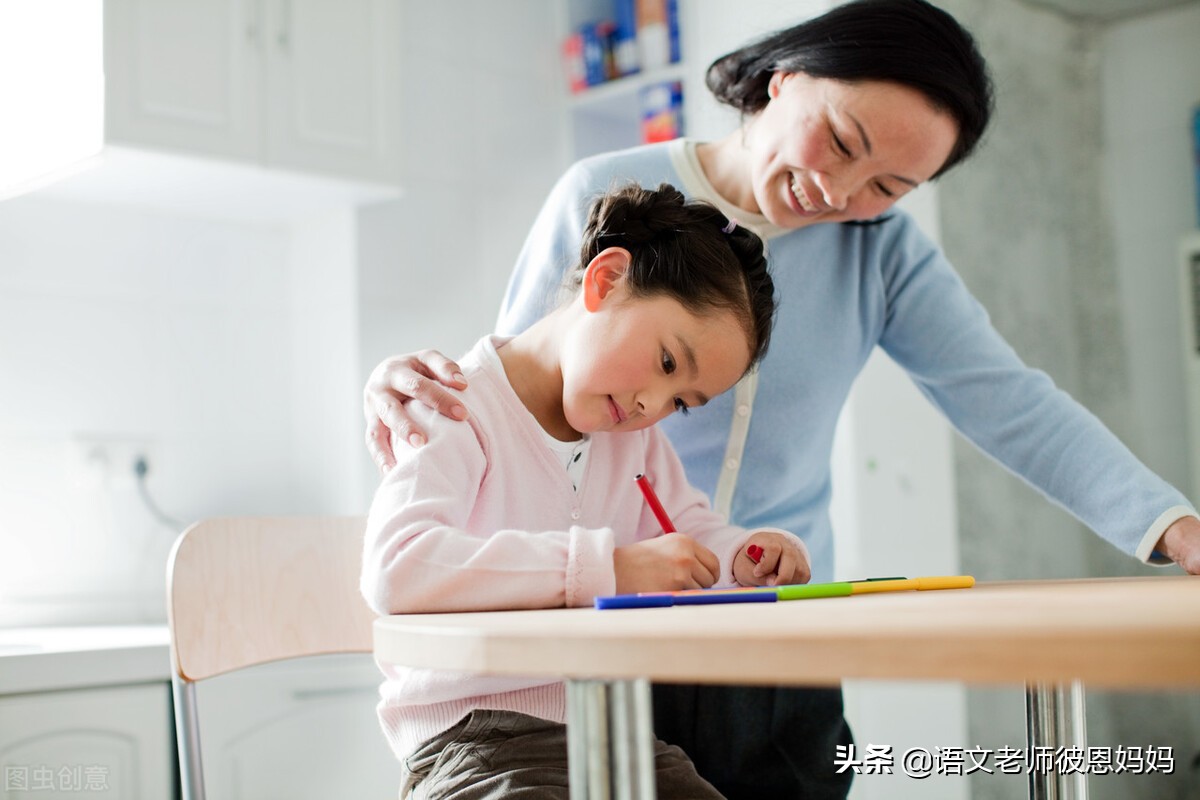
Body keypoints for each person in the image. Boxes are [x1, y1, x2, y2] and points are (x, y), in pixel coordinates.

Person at [362, 0, 1200, 797]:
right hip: (616, 634)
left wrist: (1169, 523)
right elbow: (532, 397)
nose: (842, 196)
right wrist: (408, 385)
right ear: (786, 78)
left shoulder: (882, 253)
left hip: (780, 637)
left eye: (889, 186)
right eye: (841, 140)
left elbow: (1011, 403)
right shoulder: (612, 188)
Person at [360, 181, 810, 800]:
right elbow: (397, 569)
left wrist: (746, 556)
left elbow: (690, 531)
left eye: (680, 402)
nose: (654, 403)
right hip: (474, 742)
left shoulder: (637, 442)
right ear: (606, 280)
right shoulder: (454, 407)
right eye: (668, 363)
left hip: (609, 729)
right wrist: (608, 568)